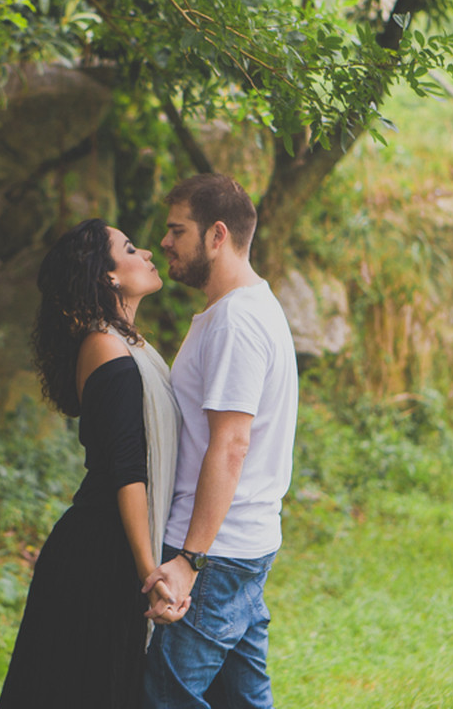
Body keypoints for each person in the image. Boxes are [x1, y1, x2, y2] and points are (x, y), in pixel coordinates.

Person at [0, 218, 185, 709]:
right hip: (101, 556)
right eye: (129, 248)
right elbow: (127, 469)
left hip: (114, 549)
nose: (147, 252)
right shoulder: (105, 346)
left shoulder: (126, 343)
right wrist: (150, 573)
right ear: (108, 277)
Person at [142, 174, 299, 709]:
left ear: (217, 235)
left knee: (164, 697)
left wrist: (190, 559)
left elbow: (231, 445)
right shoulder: (244, 307)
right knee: (241, 701)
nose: (164, 242)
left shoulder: (236, 321)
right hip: (241, 547)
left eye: (176, 230)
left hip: (217, 553)